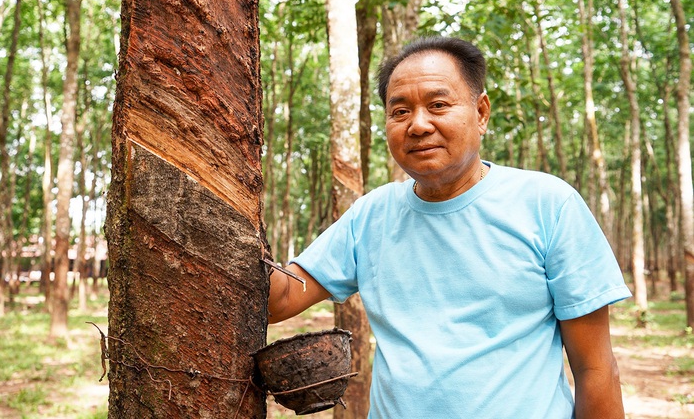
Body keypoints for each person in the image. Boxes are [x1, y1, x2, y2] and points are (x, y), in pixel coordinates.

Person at [268, 36, 631, 418]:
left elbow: (596, 369)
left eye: (438, 105)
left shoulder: (548, 204)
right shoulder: (371, 215)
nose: (419, 125)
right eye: (400, 111)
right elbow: (282, 299)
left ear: (481, 112)